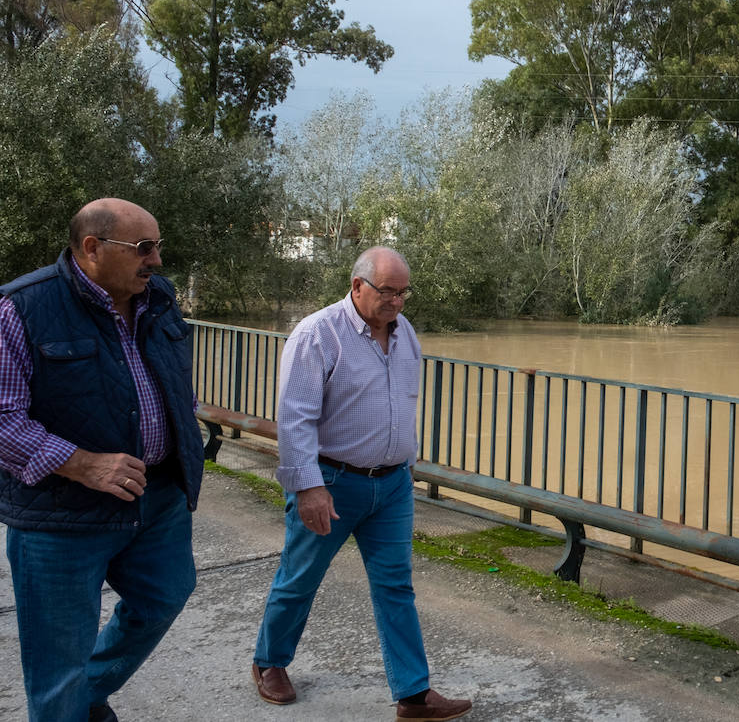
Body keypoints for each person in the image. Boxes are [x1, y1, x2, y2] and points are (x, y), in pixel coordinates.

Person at [0, 198, 203, 722]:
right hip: (61, 512)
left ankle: (82, 699)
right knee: (58, 660)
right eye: (143, 248)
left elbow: (172, 376)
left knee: (163, 599)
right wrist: (82, 463)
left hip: (156, 499)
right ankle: (69, 702)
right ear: (92, 248)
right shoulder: (22, 307)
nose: (156, 260)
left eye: (157, 246)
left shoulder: (158, 296)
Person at [252, 246, 471, 721]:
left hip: (392, 486)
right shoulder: (318, 334)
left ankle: (413, 694)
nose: (396, 301)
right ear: (357, 286)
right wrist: (307, 487)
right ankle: (269, 661)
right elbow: (294, 418)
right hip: (332, 482)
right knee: (299, 578)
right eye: (387, 290)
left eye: (403, 292)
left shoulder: (405, 333)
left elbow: (401, 404)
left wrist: (405, 464)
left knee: (396, 586)